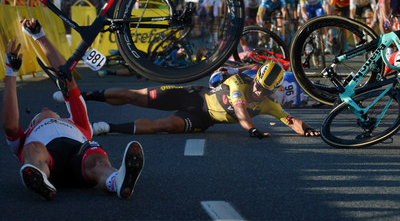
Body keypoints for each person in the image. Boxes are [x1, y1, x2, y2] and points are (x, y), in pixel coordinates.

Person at [1, 19, 144, 200]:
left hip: (81, 160)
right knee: (32, 149)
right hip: (48, 162)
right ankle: (40, 178)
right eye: (39, 115)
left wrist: (39, 35)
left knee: (97, 158)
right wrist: (11, 73)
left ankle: (116, 180)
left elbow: (66, 78)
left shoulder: (78, 124)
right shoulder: (26, 138)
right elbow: (9, 126)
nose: (45, 109)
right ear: (32, 123)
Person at [55, 61, 320, 139]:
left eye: (266, 90)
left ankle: (106, 127)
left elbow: (289, 119)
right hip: (194, 95)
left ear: (273, 90)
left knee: (165, 126)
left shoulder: (268, 103)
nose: (260, 92)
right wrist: (251, 129)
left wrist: (305, 129)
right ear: (256, 79)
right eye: (259, 86)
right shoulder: (240, 82)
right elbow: (240, 111)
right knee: (135, 97)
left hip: (202, 118)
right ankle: (82, 95)